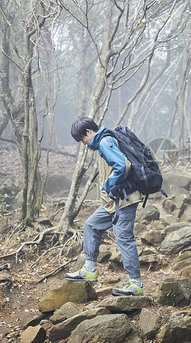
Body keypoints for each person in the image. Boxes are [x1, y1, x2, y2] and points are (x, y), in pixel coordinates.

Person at [65, 117, 143, 296]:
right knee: (91, 225)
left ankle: (135, 284)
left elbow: (123, 165)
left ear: (88, 132)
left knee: (123, 238)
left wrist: (109, 185)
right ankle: (90, 269)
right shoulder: (102, 144)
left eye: (81, 139)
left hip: (124, 200)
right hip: (112, 203)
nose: (83, 144)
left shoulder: (106, 142)